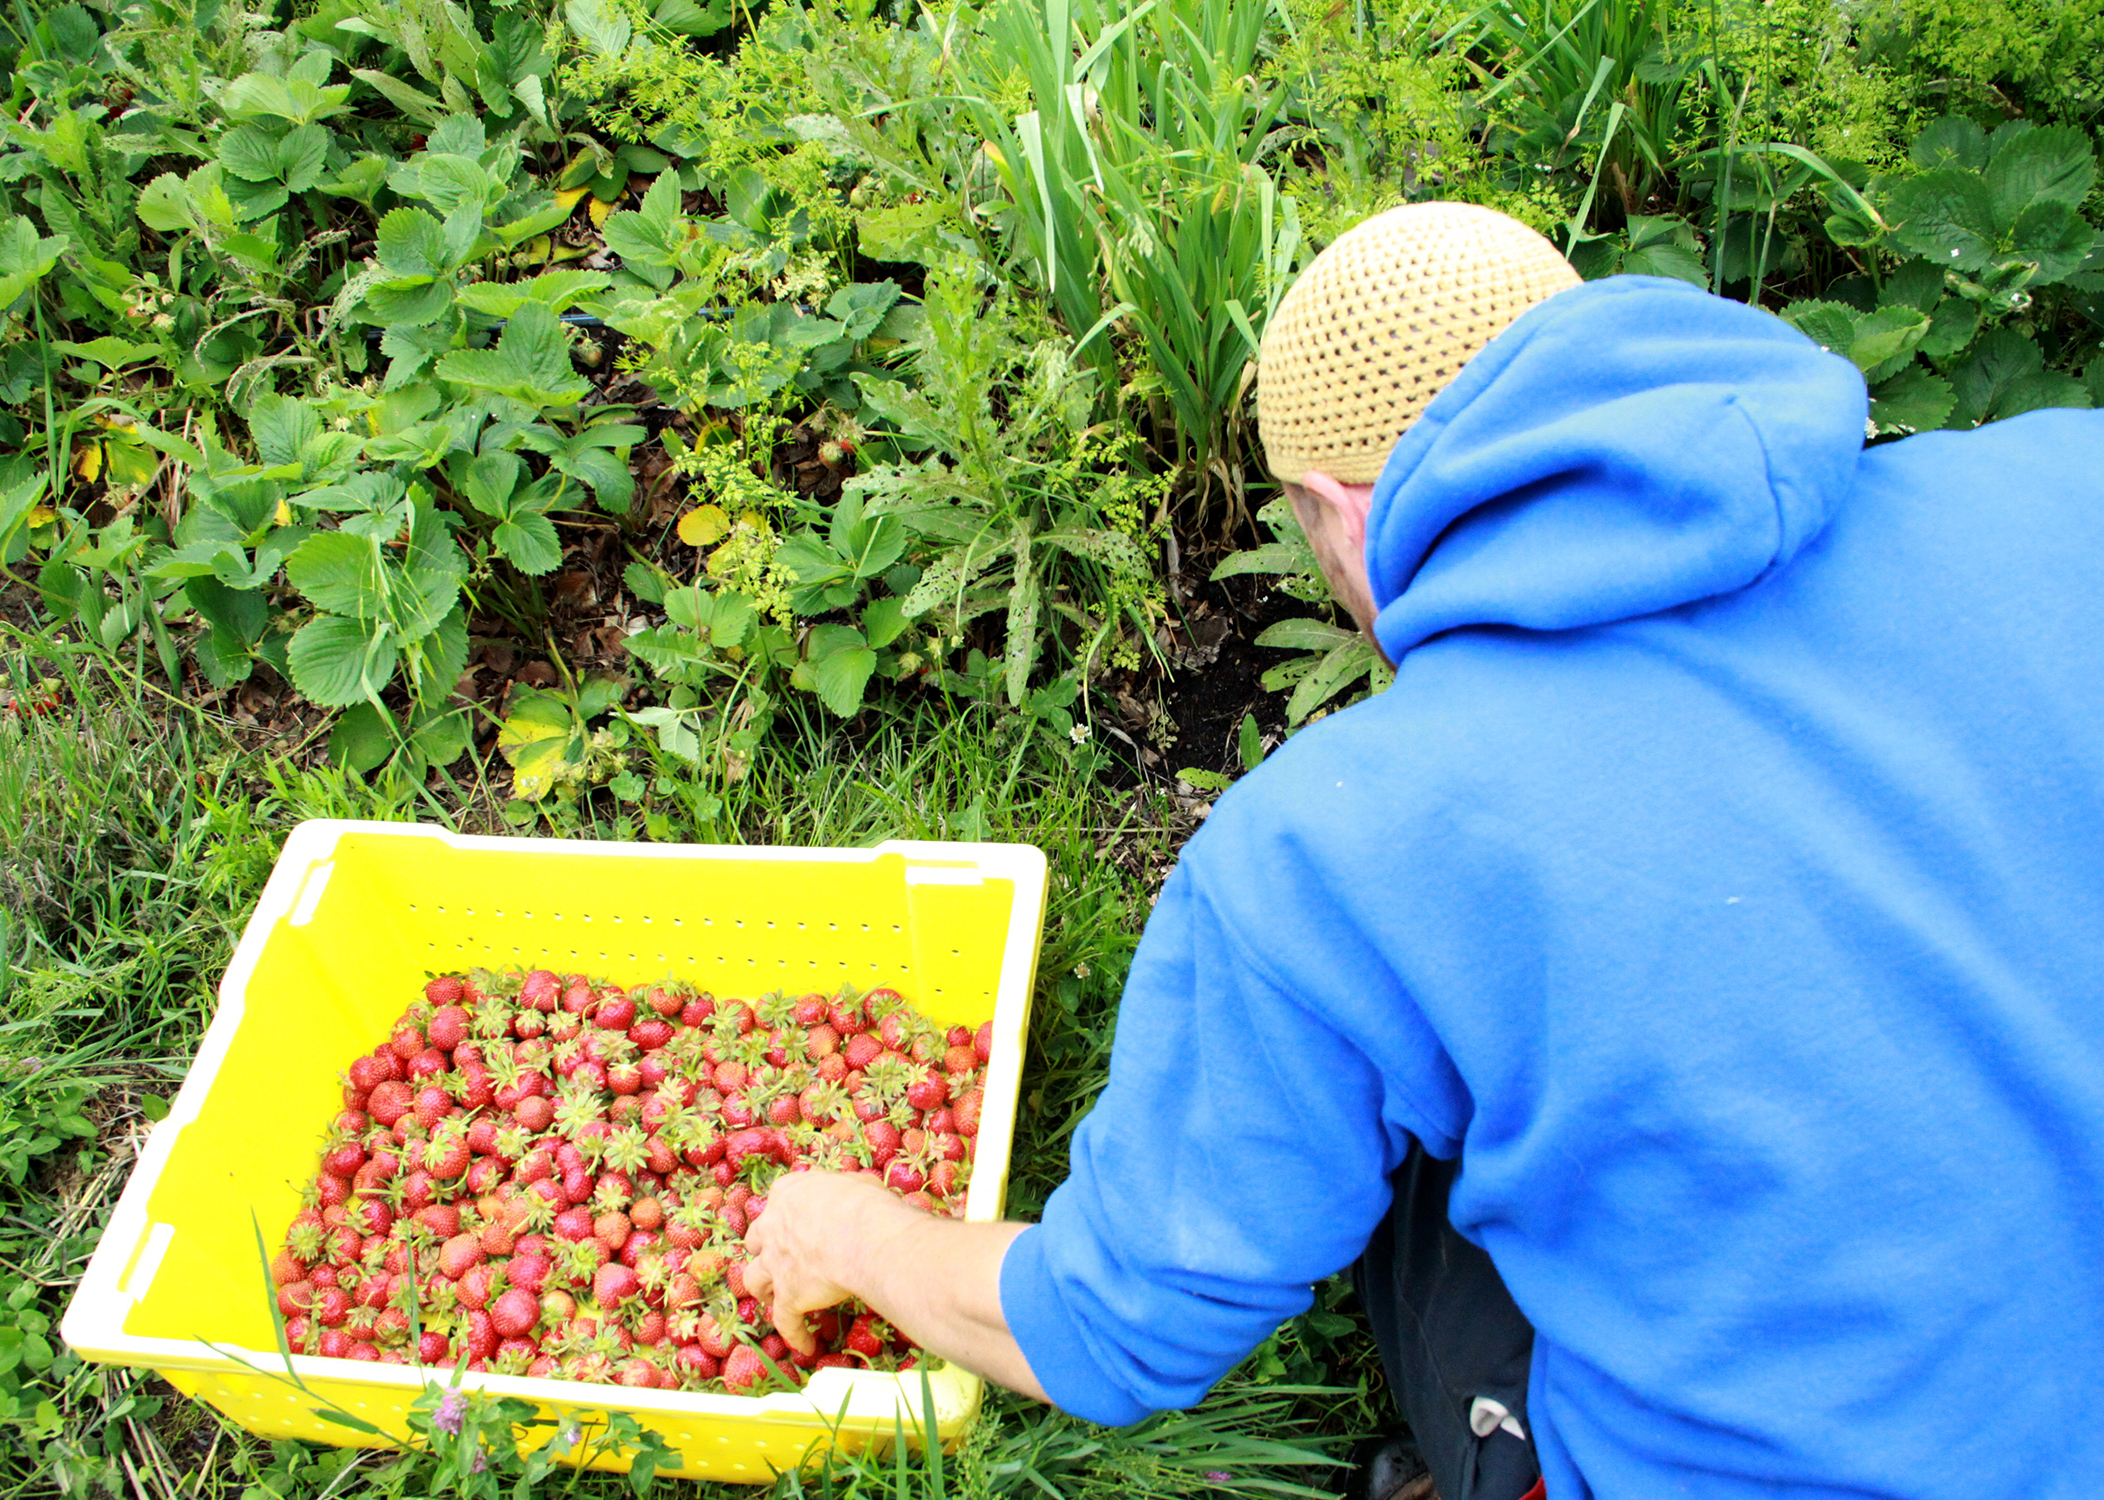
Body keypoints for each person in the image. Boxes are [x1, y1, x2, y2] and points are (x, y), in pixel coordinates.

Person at [747, 201, 2104, 1499]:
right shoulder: (2065, 484)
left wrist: (855, 1233)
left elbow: (1114, 1323)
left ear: (1338, 508)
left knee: (1398, 1144)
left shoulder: (1345, 848)